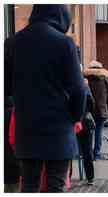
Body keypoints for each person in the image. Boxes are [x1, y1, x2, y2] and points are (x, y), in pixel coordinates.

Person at [4, 5, 86, 192]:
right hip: (59, 129)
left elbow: (5, 88)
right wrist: (75, 117)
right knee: (56, 185)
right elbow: (78, 90)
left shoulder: (13, 43)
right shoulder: (64, 44)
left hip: (27, 129)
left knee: (29, 185)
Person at [84, 60, 108, 160]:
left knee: (89, 132)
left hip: (88, 111)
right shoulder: (105, 79)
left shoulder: (85, 78)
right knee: (98, 131)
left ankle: (88, 153)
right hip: (101, 110)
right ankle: (96, 153)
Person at [76, 78, 96, 185]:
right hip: (85, 122)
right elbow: (91, 104)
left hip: (72, 122)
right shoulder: (84, 86)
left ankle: (67, 177)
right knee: (87, 151)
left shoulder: (67, 86)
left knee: (68, 151)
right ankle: (90, 178)